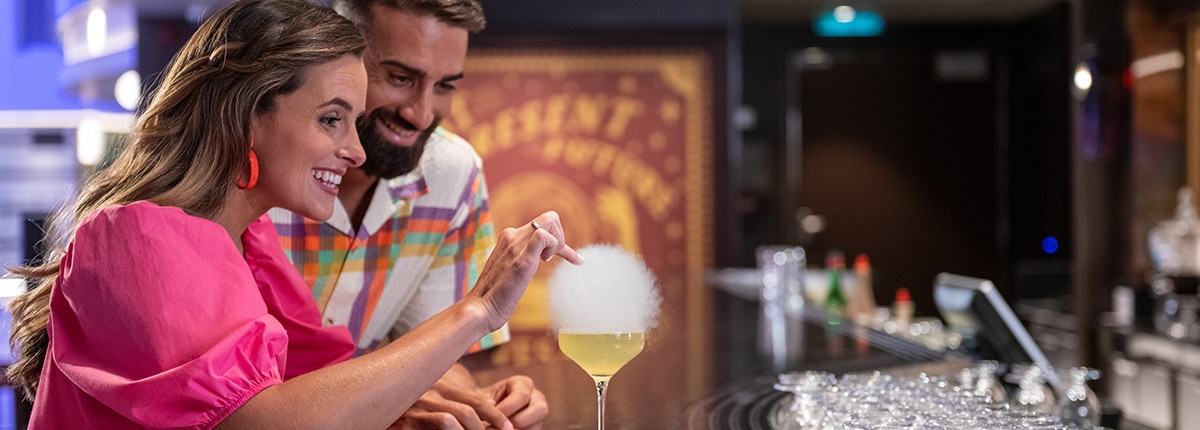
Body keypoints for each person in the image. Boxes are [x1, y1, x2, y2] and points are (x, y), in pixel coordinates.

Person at [4, 0, 580, 428]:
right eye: (331, 119)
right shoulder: (135, 236)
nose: (355, 151)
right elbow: (266, 422)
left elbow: (333, 381)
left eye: (353, 121)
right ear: (247, 113)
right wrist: (477, 309)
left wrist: (457, 402)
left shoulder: (253, 245)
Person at [267, 0, 548, 427]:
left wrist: (473, 400)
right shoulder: (260, 167)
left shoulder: (454, 174)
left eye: (444, 86)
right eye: (400, 78)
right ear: (336, 51)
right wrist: (389, 402)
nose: (420, 113)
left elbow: (435, 351)